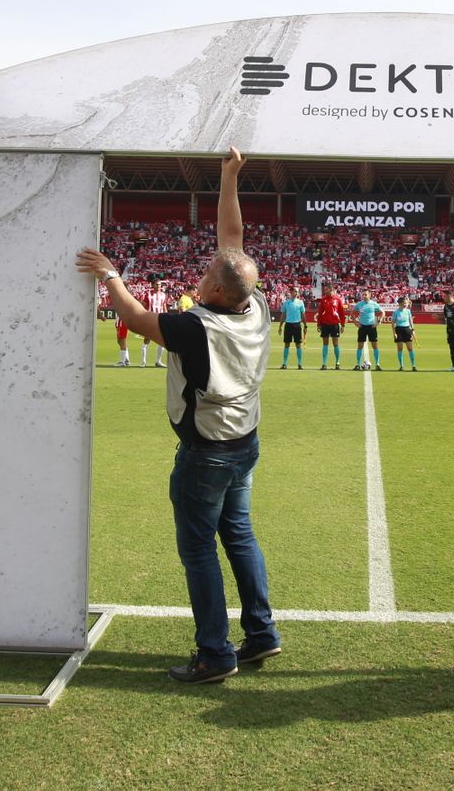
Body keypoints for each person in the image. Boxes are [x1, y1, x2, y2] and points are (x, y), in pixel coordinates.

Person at [75, 147, 280, 684]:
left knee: (199, 550)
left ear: (213, 289)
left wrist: (110, 275)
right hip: (244, 441)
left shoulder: (197, 324)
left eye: (208, 270)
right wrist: (230, 177)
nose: (206, 264)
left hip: (207, 450)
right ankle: (261, 635)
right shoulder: (254, 304)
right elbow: (232, 241)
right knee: (240, 535)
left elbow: (139, 319)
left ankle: (215, 653)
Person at [315, 284, 346, 370]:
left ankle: (337, 363)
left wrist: (343, 324)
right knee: (325, 344)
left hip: (335, 324)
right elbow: (320, 313)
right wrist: (318, 324)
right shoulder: (323, 300)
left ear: (331, 289)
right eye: (324, 290)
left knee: (335, 344)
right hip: (325, 324)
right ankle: (324, 364)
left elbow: (341, 313)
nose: (325, 291)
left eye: (326, 289)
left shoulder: (338, 299)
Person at [353, 289, 385, 370]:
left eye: (365, 294)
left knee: (375, 346)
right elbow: (352, 313)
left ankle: (377, 364)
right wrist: (355, 322)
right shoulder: (359, 304)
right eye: (363, 294)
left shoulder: (373, 304)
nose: (364, 296)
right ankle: (357, 364)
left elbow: (382, 312)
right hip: (362, 327)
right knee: (360, 346)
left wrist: (378, 322)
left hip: (371, 327)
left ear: (369, 295)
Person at [140, 279, 169, 367]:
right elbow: (143, 306)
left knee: (163, 341)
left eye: (160, 285)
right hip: (149, 319)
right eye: (157, 284)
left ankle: (158, 361)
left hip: (160, 320)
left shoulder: (163, 295)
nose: (159, 286)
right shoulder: (147, 295)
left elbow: (164, 307)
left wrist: (166, 317)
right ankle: (143, 361)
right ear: (152, 285)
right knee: (147, 340)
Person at [280, 290, 307, 370]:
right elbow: (283, 315)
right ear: (291, 292)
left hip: (297, 325)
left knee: (298, 345)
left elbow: (303, 314)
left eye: (297, 292)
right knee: (287, 344)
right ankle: (284, 363)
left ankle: (299, 364)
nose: (296, 293)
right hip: (288, 324)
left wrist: (305, 325)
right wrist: (280, 326)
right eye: (294, 291)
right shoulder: (286, 303)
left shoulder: (300, 302)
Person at [392, 296, 417, 370]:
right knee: (400, 349)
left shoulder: (408, 311)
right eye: (404, 303)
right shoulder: (396, 312)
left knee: (410, 348)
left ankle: (413, 365)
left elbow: (410, 321)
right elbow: (393, 323)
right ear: (400, 303)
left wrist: (413, 330)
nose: (406, 304)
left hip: (407, 330)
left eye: (406, 303)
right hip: (399, 330)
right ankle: (401, 366)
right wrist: (394, 333)